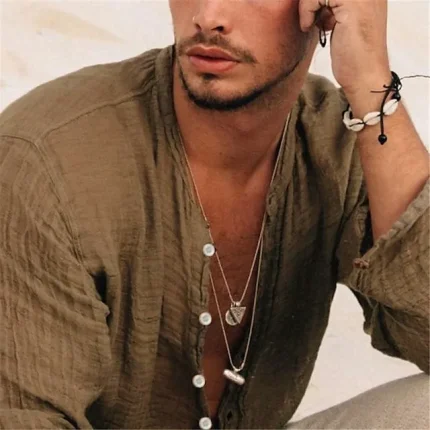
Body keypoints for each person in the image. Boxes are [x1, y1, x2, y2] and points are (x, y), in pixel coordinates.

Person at [0, 0, 428, 428]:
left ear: (324, 8)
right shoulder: (47, 163)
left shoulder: (333, 140)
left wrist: (370, 84)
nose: (208, 16)